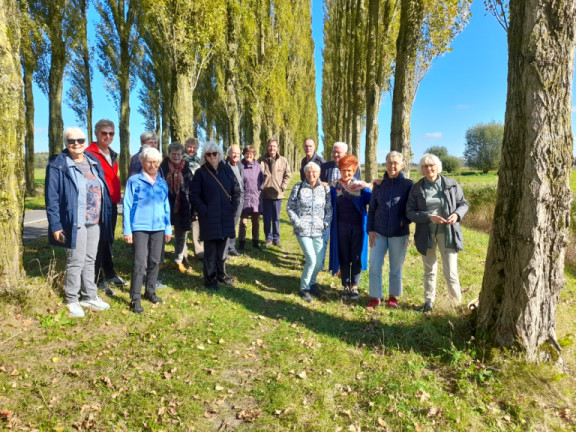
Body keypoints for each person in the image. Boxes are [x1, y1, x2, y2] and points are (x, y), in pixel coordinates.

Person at [45, 127, 112, 317]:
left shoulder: (93, 161)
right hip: (75, 220)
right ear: (65, 143)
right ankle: (71, 299)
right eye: (71, 141)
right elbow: (52, 198)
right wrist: (56, 225)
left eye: (80, 140)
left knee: (90, 259)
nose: (76, 144)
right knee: (76, 260)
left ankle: (89, 295)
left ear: (85, 142)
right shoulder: (58, 166)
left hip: (95, 220)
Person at [406, 153, 469, 312]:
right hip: (425, 234)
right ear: (421, 169)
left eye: (431, 165)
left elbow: (463, 204)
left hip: (448, 234)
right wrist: (428, 217)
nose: (429, 169)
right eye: (425, 166)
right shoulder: (417, 188)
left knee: (451, 272)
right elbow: (410, 212)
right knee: (429, 270)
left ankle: (456, 304)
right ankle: (428, 302)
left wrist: (457, 215)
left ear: (438, 167)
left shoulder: (451, 185)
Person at [123, 147, 172, 313]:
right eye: (149, 162)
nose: (153, 165)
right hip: (140, 228)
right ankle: (135, 298)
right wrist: (127, 230)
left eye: (156, 162)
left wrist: (167, 228)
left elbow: (166, 206)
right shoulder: (134, 181)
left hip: (158, 228)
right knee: (140, 263)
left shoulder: (162, 183)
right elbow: (127, 205)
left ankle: (150, 291)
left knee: (155, 261)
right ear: (143, 163)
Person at [189, 141, 241, 290]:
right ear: (205, 156)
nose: (212, 157)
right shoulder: (200, 173)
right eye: (209, 154)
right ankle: (210, 279)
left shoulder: (226, 170)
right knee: (210, 250)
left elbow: (236, 190)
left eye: (215, 153)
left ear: (220, 154)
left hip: (225, 215)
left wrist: (233, 206)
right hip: (209, 217)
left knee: (222, 248)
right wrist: (203, 210)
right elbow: (194, 195)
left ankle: (221, 274)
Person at [366, 151, 414, 309]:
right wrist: (370, 229)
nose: (392, 166)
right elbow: (372, 209)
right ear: (385, 164)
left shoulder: (408, 184)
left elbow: (412, 208)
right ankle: (375, 297)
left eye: (396, 163)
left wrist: (403, 222)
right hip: (378, 232)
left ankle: (393, 297)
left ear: (402, 165)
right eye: (389, 162)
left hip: (399, 234)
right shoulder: (379, 185)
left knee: (395, 268)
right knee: (374, 265)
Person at [86, 119, 126, 296]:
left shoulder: (112, 154)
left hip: (112, 203)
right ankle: (97, 278)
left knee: (108, 240)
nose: (108, 136)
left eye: (111, 133)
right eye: (104, 133)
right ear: (96, 134)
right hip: (97, 204)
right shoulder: (89, 153)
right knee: (97, 242)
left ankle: (110, 273)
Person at [287, 162, 332, 302]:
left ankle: (312, 283)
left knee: (319, 262)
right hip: (303, 230)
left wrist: (325, 223)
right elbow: (290, 207)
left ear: (319, 173)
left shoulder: (325, 189)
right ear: (305, 173)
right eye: (308, 172)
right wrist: (298, 223)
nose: (311, 175)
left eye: (314, 172)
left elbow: (329, 209)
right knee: (311, 259)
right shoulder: (298, 187)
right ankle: (304, 288)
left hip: (319, 230)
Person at [329, 155, 372, 300]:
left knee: (357, 255)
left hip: (358, 227)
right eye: (343, 170)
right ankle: (345, 285)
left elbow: (373, 200)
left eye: (349, 171)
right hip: (341, 226)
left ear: (354, 171)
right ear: (339, 171)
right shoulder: (334, 187)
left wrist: (374, 186)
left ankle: (355, 286)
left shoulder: (361, 187)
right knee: (344, 255)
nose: (346, 174)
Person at [160, 142, 193, 272]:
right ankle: (159, 260)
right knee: (161, 234)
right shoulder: (162, 168)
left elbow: (192, 189)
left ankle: (178, 260)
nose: (176, 156)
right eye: (173, 154)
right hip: (165, 205)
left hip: (183, 206)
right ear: (168, 155)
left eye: (178, 154)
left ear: (182, 155)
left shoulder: (186, 169)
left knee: (181, 234)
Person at [259, 138, 291, 248]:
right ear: (267, 147)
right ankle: (268, 238)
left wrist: (283, 187)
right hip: (265, 194)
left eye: (274, 146)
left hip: (278, 195)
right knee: (267, 218)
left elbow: (288, 175)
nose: (272, 148)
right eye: (270, 146)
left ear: (278, 148)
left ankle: (276, 239)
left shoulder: (283, 160)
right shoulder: (261, 160)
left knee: (276, 218)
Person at [239, 145, 264, 250]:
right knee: (243, 221)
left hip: (255, 197)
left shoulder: (258, 166)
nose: (249, 155)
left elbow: (262, 180)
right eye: (247, 153)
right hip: (244, 196)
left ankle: (255, 242)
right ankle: (241, 242)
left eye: (251, 153)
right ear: (244, 154)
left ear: (254, 155)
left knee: (255, 222)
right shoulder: (240, 165)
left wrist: (258, 190)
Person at [184, 137, 203, 260]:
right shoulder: (181, 160)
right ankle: (183, 253)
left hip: (197, 196)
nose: (191, 149)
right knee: (185, 225)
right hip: (185, 195)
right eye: (189, 147)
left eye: (194, 147)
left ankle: (199, 251)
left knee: (198, 224)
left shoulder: (200, 162)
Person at [225, 145, 244, 256]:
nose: (236, 155)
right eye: (233, 152)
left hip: (240, 199)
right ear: (228, 154)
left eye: (237, 153)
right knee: (229, 225)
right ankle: (225, 250)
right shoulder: (224, 166)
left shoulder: (240, 166)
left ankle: (232, 247)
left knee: (234, 225)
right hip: (230, 200)